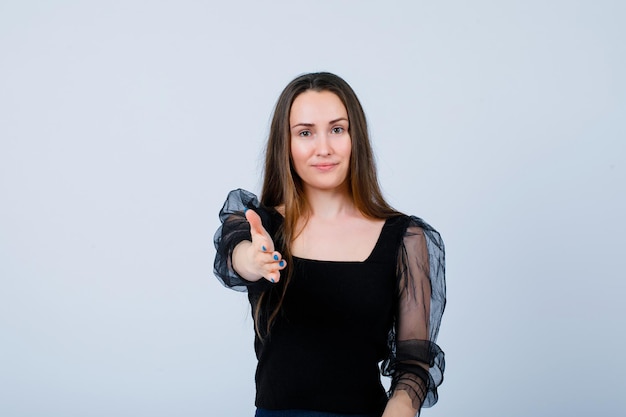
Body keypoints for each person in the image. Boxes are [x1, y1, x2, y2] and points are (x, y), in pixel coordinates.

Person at [213, 72, 446, 417]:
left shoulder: (405, 239)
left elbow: (413, 363)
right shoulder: (258, 225)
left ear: (356, 138)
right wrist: (253, 259)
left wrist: (400, 408)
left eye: (337, 129)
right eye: (305, 133)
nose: (324, 148)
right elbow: (236, 257)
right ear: (286, 144)